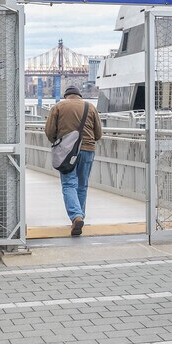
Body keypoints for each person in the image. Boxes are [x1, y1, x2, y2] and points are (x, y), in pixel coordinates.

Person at [45, 85, 103, 236]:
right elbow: (98, 134)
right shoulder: (90, 107)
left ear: (66, 96)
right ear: (79, 96)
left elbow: (49, 132)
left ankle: (76, 217)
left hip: (66, 152)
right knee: (82, 185)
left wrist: (58, 142)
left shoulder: (58, 107)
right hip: (88, 150)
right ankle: (79, 218)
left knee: (69, 184)